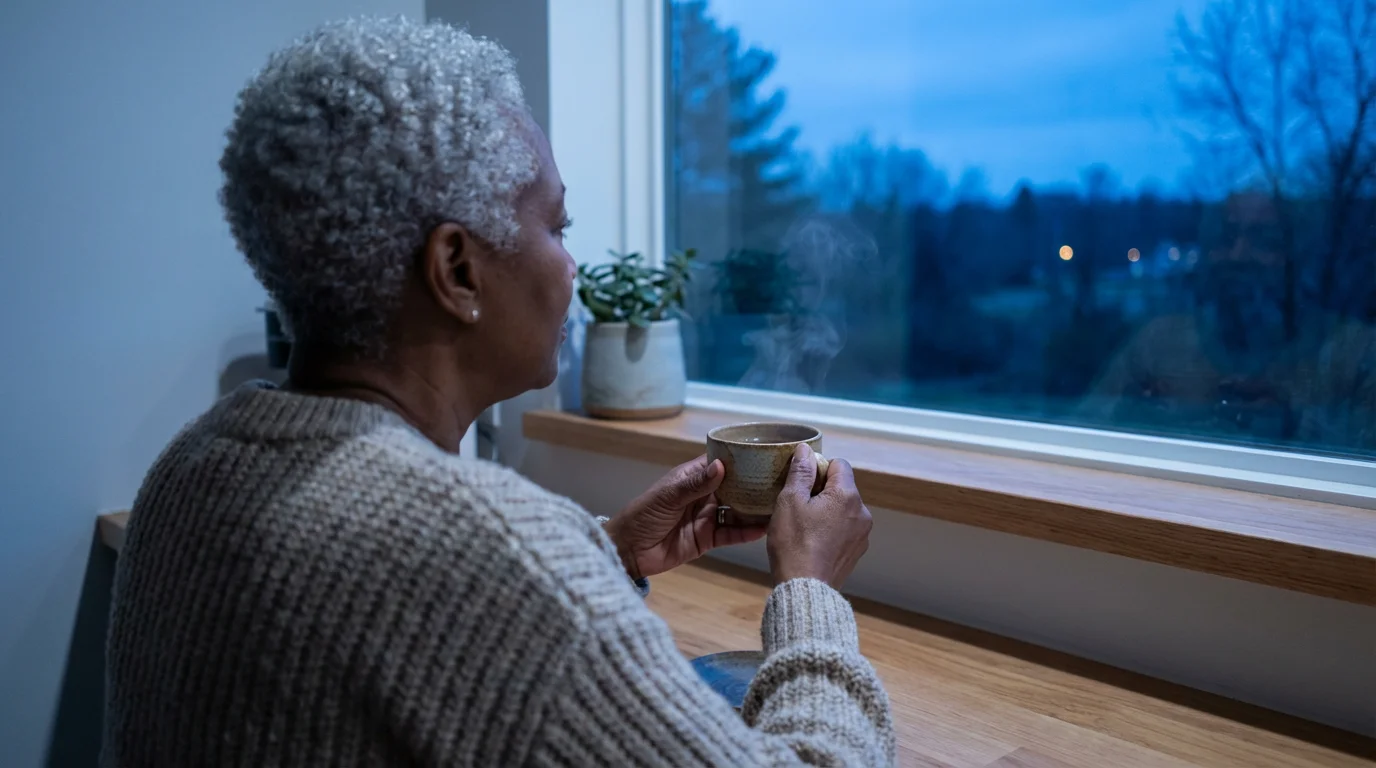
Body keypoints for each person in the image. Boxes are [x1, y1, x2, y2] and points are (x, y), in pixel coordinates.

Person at [103, 16, 893, 767]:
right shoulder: (489, 555)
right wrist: (809, 595)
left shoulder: (192, 463)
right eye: (559, 225)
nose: (571, 267)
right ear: (456, 270)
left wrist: (607, 554)